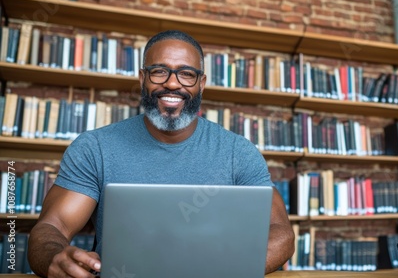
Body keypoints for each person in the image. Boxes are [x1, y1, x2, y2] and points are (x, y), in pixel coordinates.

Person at [27, 29, 295, 278]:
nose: (172, 84)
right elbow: (53, 226)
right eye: (159, 72)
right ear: (142, 78)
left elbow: (280, 233)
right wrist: (54, 257)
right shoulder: (94, 147)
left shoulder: (239, 152)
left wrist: (223, 270)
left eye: (186, 74)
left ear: (201, 83)